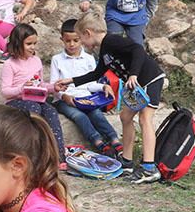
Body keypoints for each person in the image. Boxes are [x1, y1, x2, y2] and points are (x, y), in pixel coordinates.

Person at [56, 11, 164, 184]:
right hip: (136, 85)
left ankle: (149, 168)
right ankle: (127, 161)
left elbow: (138, 50)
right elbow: (97, 73)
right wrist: (71, 81)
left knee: (145, 119)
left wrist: (133, 75)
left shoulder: (112, 41)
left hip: (149, 79)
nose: (81, 43)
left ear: (88, 33)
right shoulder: (104, 49)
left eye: (81, 39)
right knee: (125, 116)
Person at [50, 19, 122, 157]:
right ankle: (99, 143)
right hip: (65, 100)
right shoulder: (57, 59)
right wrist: (64, 96)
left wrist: (103, 86)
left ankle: (114, 140)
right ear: (62, 40)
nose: (72, 44)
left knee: (96, 114)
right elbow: (54, 85)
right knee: (79, 116)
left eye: (76, 40)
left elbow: (91, 83)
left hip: (86, 98)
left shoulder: (88, 58)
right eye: (68, 41)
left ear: (82, 38)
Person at [0, 24, 66, 162]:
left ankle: (59, 157)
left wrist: (54, 87)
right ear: (17, 43)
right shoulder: (10, 64)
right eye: (29, 44)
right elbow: (5, 91)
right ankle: (35, 153)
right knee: (34, 109)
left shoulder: (36, 61)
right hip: (16, 101)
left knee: (51, 111)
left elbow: (40, 84)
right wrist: (22, 88)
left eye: (34, 43)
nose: (33, 47)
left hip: (36, 99)